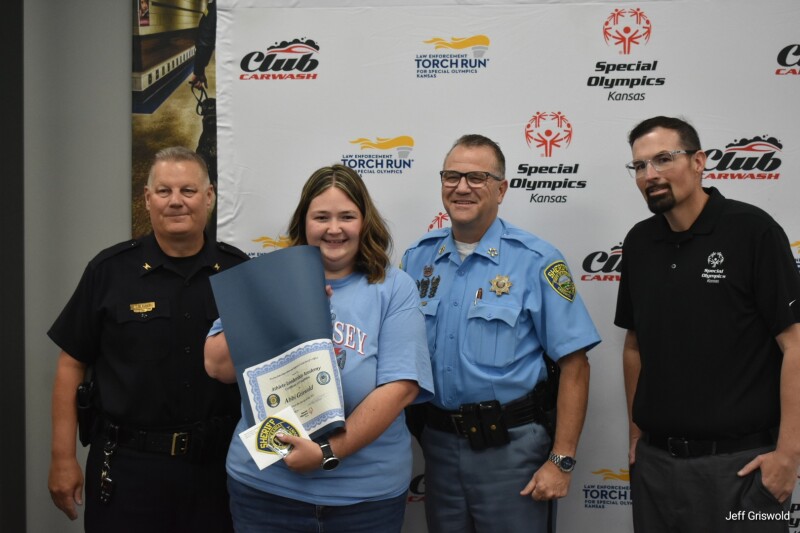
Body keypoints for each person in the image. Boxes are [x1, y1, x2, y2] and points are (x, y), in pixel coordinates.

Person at [204, 164, 434, 533]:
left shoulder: (394, 287)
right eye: (321, 217)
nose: (334, 228)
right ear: (304, 222)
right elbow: (218, 367)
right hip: (267, 490)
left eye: (347, 216)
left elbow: (400, 387)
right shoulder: (267, 276)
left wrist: (328, 453)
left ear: (365, 221)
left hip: (365, 498)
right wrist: (273, 302)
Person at [401, 134, 601, 532]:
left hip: (512, 451)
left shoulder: (536, 260)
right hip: (438, 445)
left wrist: (561, 459)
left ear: (501, 188)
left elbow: (575, 365)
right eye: (452, 176)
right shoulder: (416, 258)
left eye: (477, 177)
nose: (461, 187)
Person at [47, 147, 248, 532]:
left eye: (188, 190)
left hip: (218, 469)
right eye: (164, 191)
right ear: (147, 198)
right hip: (129, 469)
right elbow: (71, 362)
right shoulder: (109, 271)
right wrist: (62, 457)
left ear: (209, 197)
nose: (176, 201)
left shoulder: (239, 271)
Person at [615, 116, 800, 533]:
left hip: (740, 471)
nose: (650, 175)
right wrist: (635, 437)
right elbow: (634, 346)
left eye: (663, 159)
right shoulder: (640, 242)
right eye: (640, 166)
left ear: (699, 161)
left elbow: (796, 345)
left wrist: (788, 456)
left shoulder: (753, 231)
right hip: (657, 469)